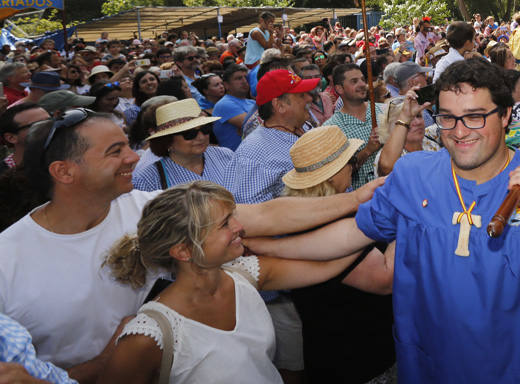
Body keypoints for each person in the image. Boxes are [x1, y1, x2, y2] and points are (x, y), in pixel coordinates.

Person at [244, 58, 520, 383]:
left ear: (505, 115)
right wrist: (260, 247)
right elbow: (350, 235)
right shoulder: (413, 174)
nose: (458, 131)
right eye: (448, 117)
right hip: (431, 364)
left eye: (475, 116)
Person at [0, 109, 382, 377]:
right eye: (115, 152)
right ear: (64, 171)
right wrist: (110, 365)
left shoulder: (142, 207)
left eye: (126, 145)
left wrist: (357, 198)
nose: (134, 157)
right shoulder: (8, 260)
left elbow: (266, 216)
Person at [101, 181, 363, 384]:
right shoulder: (149, 336)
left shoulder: (246, 276)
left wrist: (376, 216)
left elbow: (328, 263)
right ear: (183, 251)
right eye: (225, 224)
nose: (239, 226)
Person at [281, 128, 396, 384]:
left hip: (331, 352)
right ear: (333, 175)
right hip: (358, 359)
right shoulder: (327, 224)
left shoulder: (295, 216)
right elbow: (384, 279)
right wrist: (406, 220)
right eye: (351, 161)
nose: (353, 167)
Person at [233, 69, 320, 204]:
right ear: (280, 105)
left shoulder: (305, 126)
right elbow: (253, 215)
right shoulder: (254, 154)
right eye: (301, 95)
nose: (310, 98)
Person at [132, 99, 236, 192]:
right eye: (189, 133)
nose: (201, 137)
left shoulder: (226, 156)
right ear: (167, 140)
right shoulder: (148, 179)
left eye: (205, 129)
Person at [321, 64, 385, 188]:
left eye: (363, 79)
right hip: (361, 201)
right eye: (354, 81)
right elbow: (334, 176)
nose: (362, 84)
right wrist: (367, 151)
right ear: (339, 89)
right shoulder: (331, 128)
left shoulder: (384, 110)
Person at [211, 64, 255, 151]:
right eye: (238, 78)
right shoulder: (224, 104)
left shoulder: (252, 102)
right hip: (236, 159)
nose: (244, 81)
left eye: (246, 77)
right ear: (226, 85)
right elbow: (254, 126)